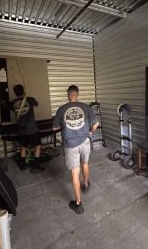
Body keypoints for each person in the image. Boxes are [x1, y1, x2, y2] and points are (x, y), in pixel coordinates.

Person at [53, 85, 99, 214]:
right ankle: (86, 184)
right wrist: (90, 132)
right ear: (77, 94)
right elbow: (96, 124)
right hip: (85, 141)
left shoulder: (62, 109)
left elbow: (54, 128)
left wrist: (64, 126)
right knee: (85, 163)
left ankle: (78, 204)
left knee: (75, 173)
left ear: (68, 94)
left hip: (70, 144)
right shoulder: (86, 107)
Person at [10, 84, 45, 173]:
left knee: (23, 146)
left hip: (21, 128)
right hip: (32, 127)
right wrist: (26, 96)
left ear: (15, 93)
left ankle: (22, 165)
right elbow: (37, 104)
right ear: (23, 91)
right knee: (38, 145)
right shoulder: (30, 99)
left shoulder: (12, 103)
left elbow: (12, 109)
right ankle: (35, 165)